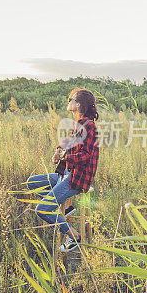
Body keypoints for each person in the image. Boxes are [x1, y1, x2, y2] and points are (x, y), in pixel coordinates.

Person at [26, 88, 99, 253]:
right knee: (33, 183)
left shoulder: (89, 126)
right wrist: (59, 150)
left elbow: (86, 156)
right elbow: (69, 141)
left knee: (42, 209)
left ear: (79, 104)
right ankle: (63, 208)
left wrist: (66, 156)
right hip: (67, 173)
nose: (69, 101)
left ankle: (74, 236)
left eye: (71, 99)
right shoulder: (80, 123)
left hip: (76, 178)